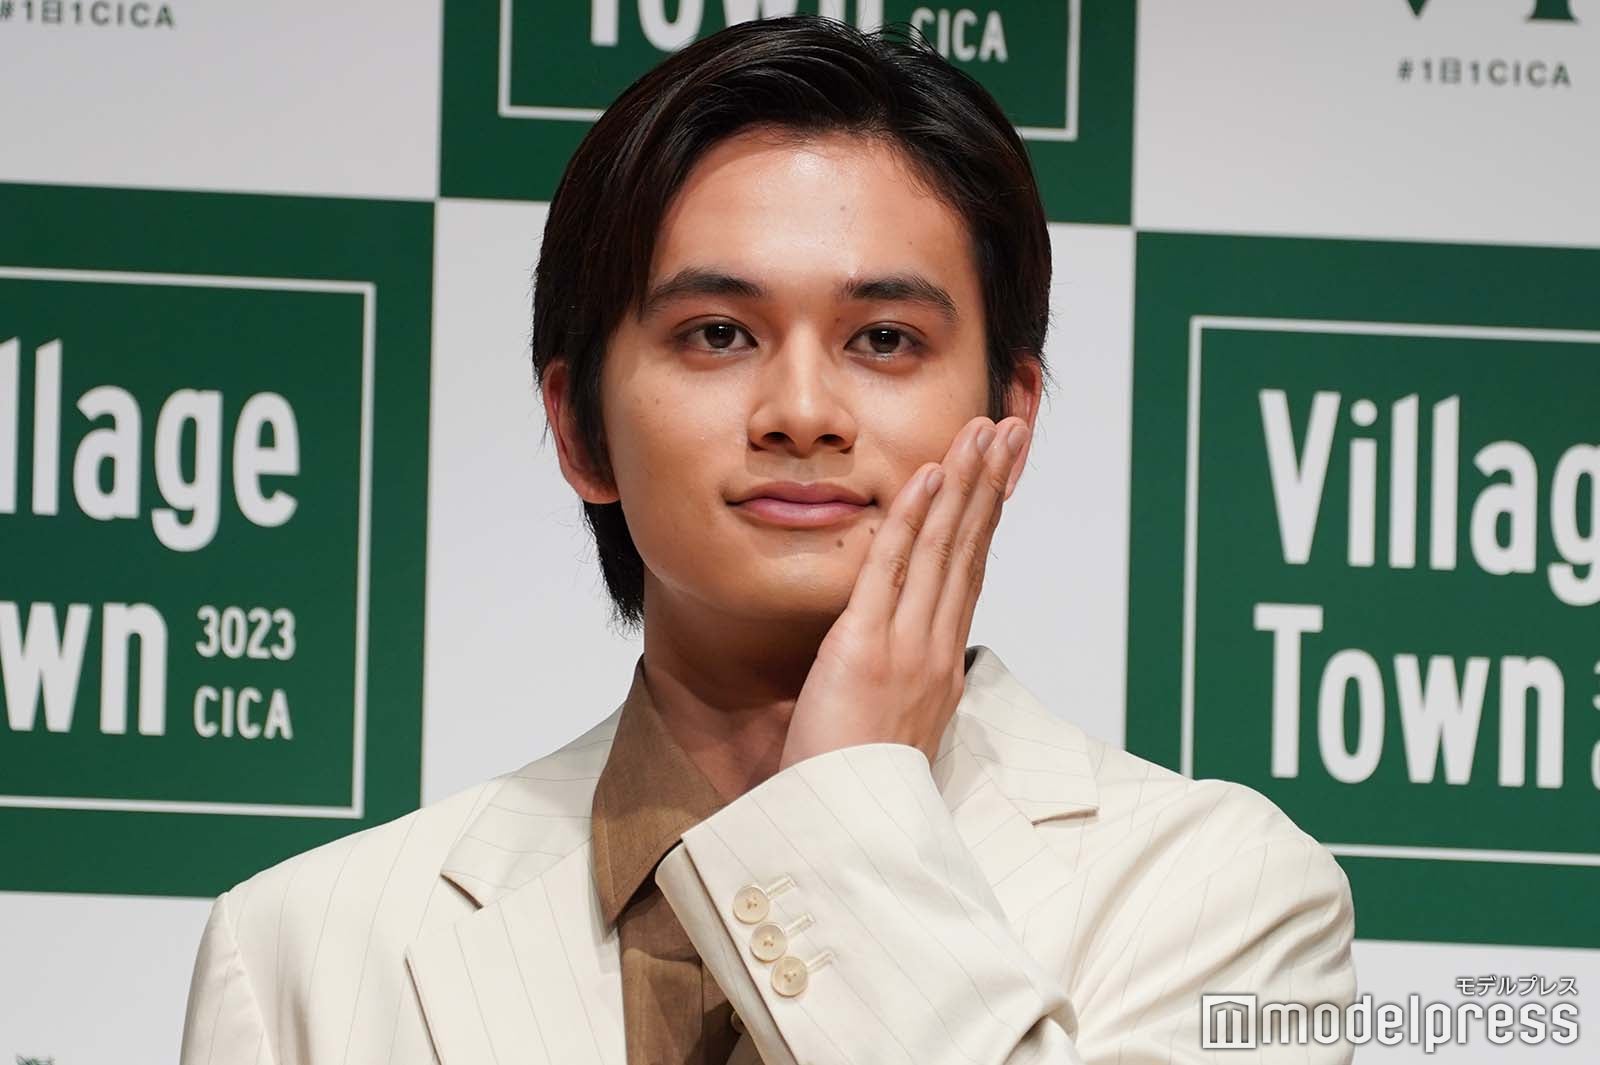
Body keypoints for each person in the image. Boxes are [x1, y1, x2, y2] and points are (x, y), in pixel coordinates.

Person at [179, 14, 1356, 1065]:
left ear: (1011, 415)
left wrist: (846, 803)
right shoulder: (304, 950)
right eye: (717, 334)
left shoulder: (1220, 897)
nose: (801, 411)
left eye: (883, 339)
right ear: (580, 428)